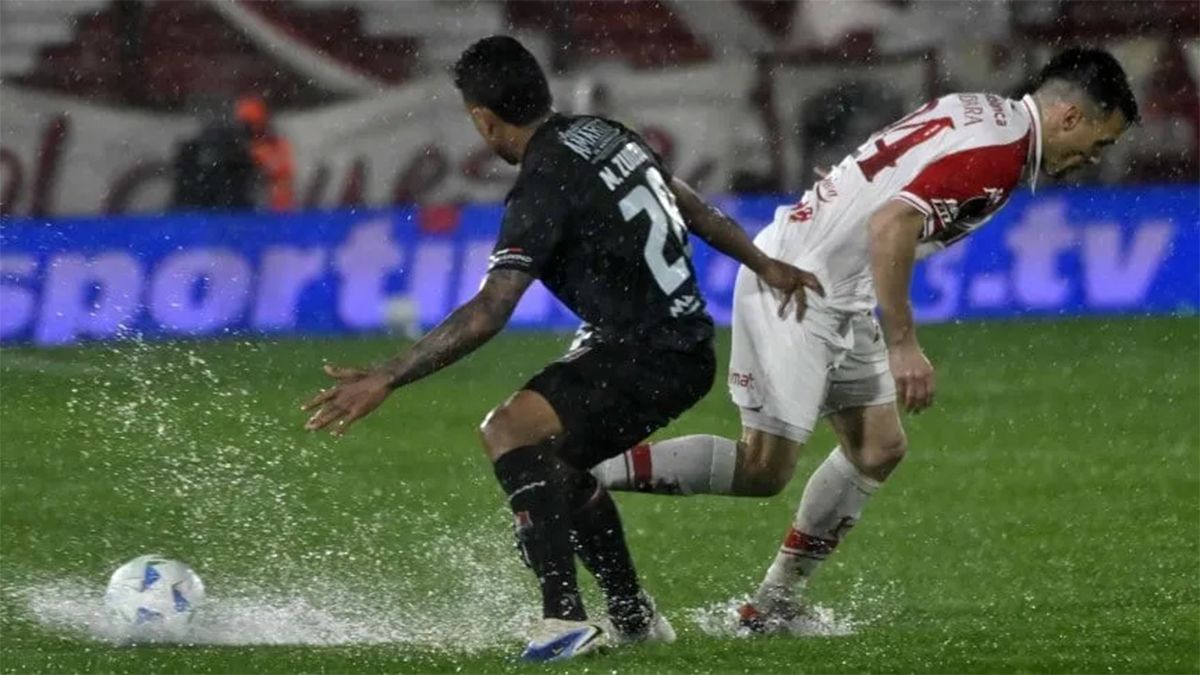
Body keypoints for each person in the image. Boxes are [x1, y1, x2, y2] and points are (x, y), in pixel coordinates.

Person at [300, 36, 822, 661]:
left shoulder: (542, 186)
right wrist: (765, 263)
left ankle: (564, 620)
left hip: (648, 353)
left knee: (509, 432)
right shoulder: (604, 133)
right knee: (558, 467)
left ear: (482, 119)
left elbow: (491, 310)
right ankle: (632, 616)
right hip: (673, 343)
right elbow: (691, 205)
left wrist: (386, 376)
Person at [589, 47, 1139, 634]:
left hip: (835, 283)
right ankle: (585, 475)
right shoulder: (998, 155)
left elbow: (886, 171)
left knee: (877, 447)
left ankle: (772, 608)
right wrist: (904, 343)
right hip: (799, 284)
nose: (1091, 159)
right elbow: (890, 225)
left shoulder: (982, 111)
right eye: (1099, 142)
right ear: (1070, 116)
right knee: (763, 469)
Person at [235, 95, 296, 212]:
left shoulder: (276, 145)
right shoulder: (236, 147)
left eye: (250, 124)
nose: (248, 129)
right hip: (243, 208)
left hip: (274, 210)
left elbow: (282, 171)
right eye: (244, 125)